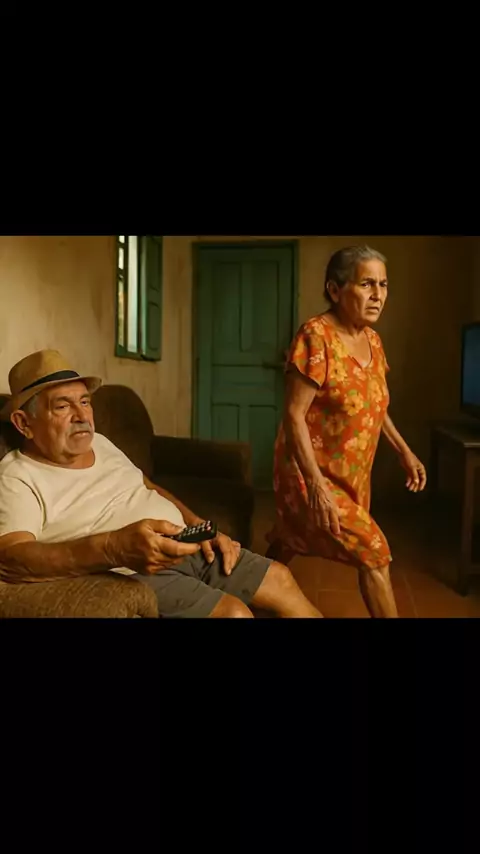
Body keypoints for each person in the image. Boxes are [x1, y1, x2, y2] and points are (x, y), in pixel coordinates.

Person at [0, 349, 322, 618]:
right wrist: (113, 548)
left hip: (184, 543)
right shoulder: (17, 477)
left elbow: (144, 483)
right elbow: (11, 558)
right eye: (62, 406)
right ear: (24, 423)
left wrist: (197, 524)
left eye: (84, 402)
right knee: (234, 614)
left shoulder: (100, 442)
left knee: (280, 577)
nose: (82, 416)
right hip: (130, 571)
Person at [266, 246, 427, 618]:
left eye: (383, 285)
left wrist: (403, 450)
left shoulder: (373, 341)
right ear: (335, 290)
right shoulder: (316, 336)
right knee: (374, 552)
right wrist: (315, 485)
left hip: (351, 475)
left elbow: (373, 405)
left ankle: (246, 585)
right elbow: (293, 414)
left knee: (291, 538)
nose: (378, 295)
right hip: (309, 473)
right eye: (367, 284)